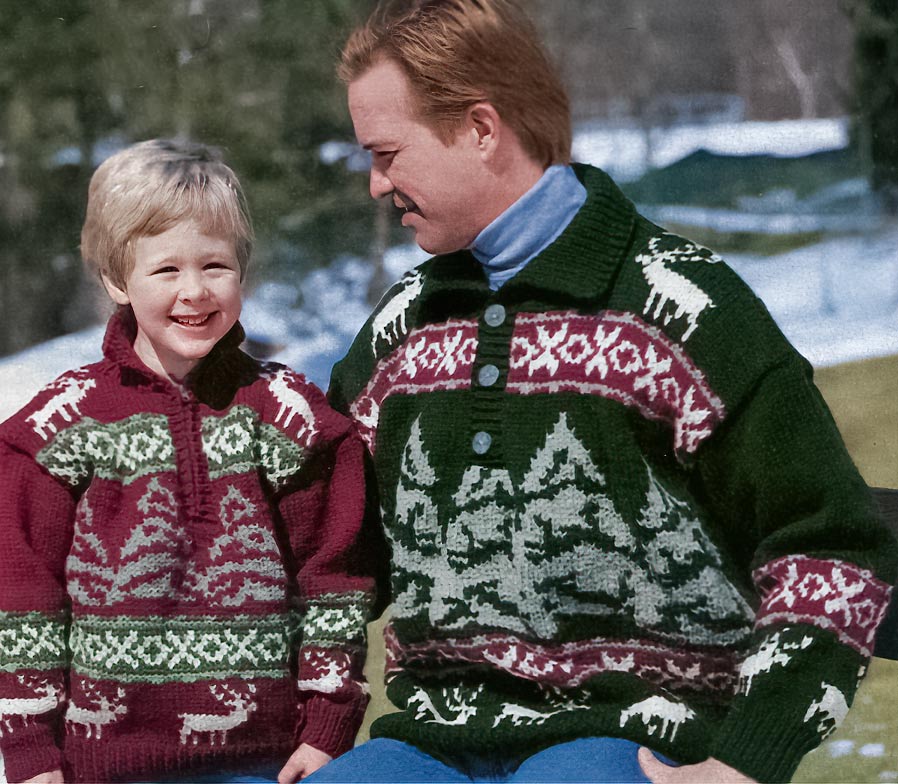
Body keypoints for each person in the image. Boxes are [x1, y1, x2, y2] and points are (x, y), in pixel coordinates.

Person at [321, 1, 898, 782]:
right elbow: (326, 551)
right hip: (432, 742)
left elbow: (830, 547)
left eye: (387, 153)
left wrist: (746, 762)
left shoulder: (682, 308)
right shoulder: (398, 331)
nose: (374, 184)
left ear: (480, 129)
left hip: (637, 736)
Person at [0, 139, 383, 784]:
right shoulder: (56, 427)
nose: (196, 291)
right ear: (117, 280)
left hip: (265, 762)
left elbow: (334, 583)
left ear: (242, 271)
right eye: (166, 270)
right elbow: (23, 599)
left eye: (215, 265)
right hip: (101, 766)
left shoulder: (291, 417)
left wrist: (327, 727)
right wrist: (32, 752)